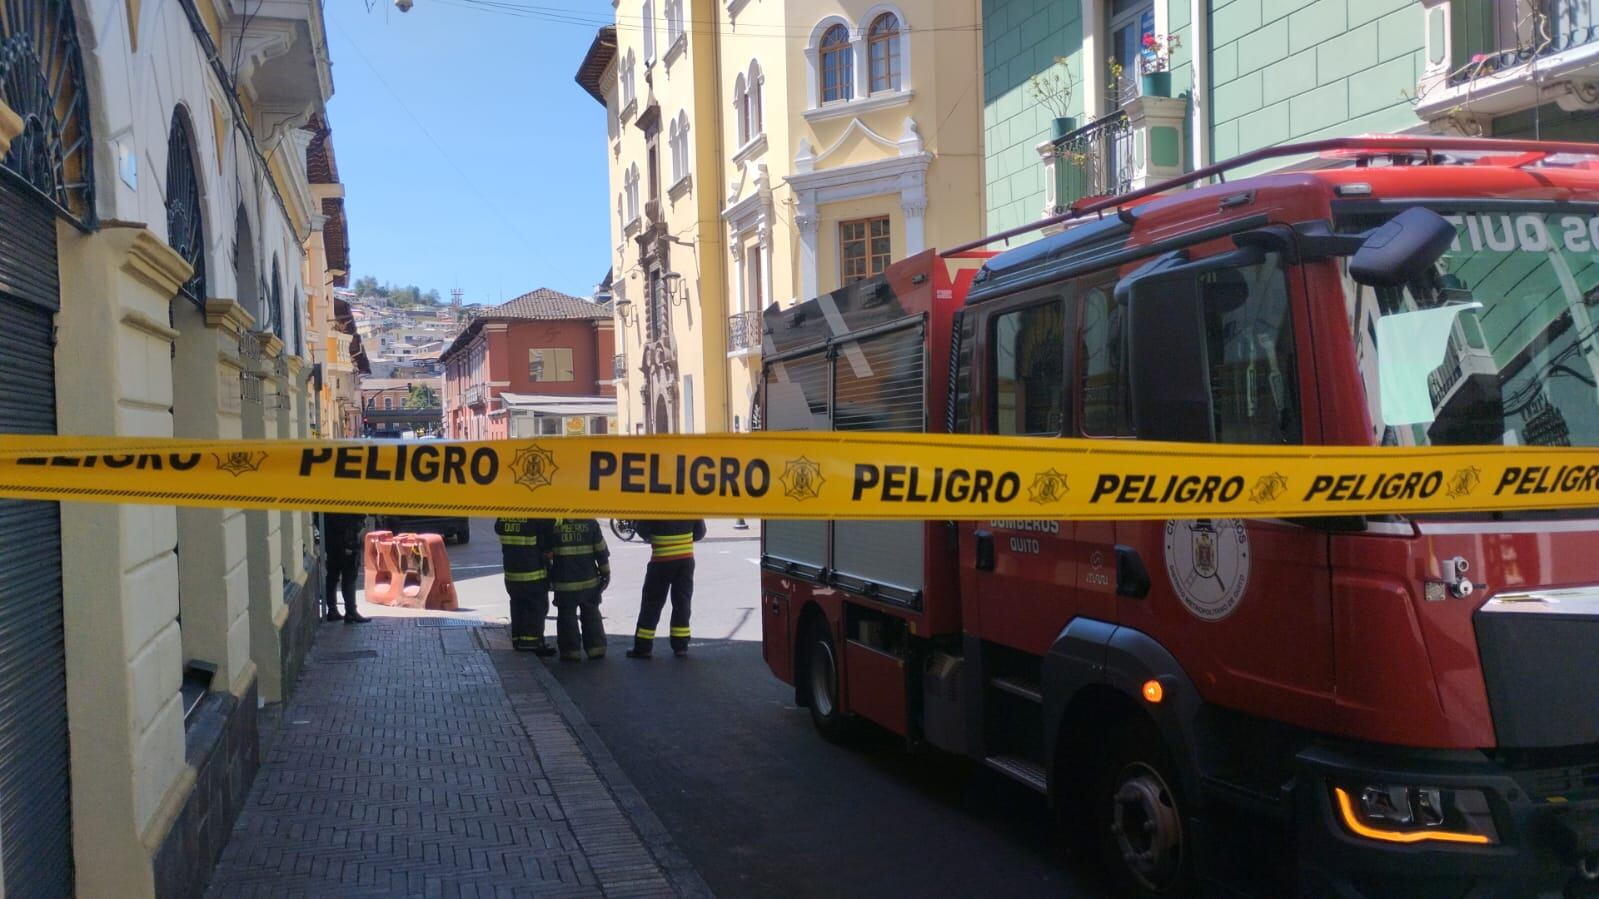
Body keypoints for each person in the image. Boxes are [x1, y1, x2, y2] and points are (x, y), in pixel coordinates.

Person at [627, 519, 707, 659]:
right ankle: (680, 646)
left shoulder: (656, 506)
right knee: (682, 602)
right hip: (686, 559)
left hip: (661, 559)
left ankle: (643, 647)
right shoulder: (691, 506)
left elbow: (642, 529)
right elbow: (700, 532)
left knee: (652, 603)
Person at [548, 518, 611, 662]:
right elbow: (601, 552)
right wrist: (606, 573)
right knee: (591, 614)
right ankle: (596, 649)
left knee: (566, 616)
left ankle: (570, 652)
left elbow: (546, 554)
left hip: (564, 584)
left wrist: (549, 577)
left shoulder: (553, 523)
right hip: (589, 583)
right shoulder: (590, 522)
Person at [495, 517, 556, 655]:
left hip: (511, 573)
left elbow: (498, 527)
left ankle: (518, 640)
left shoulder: (504, 516)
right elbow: (550, 528)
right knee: (535, 607)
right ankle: (531, 643)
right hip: (532, 573)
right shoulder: (535, 516)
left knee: (517, 605)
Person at [322, 511, 370, 623]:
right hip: (348, 543)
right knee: (349, 578)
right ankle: (351, 612)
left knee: (333, 578)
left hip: (332, 544)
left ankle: (333, 610)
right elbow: (356, 519)